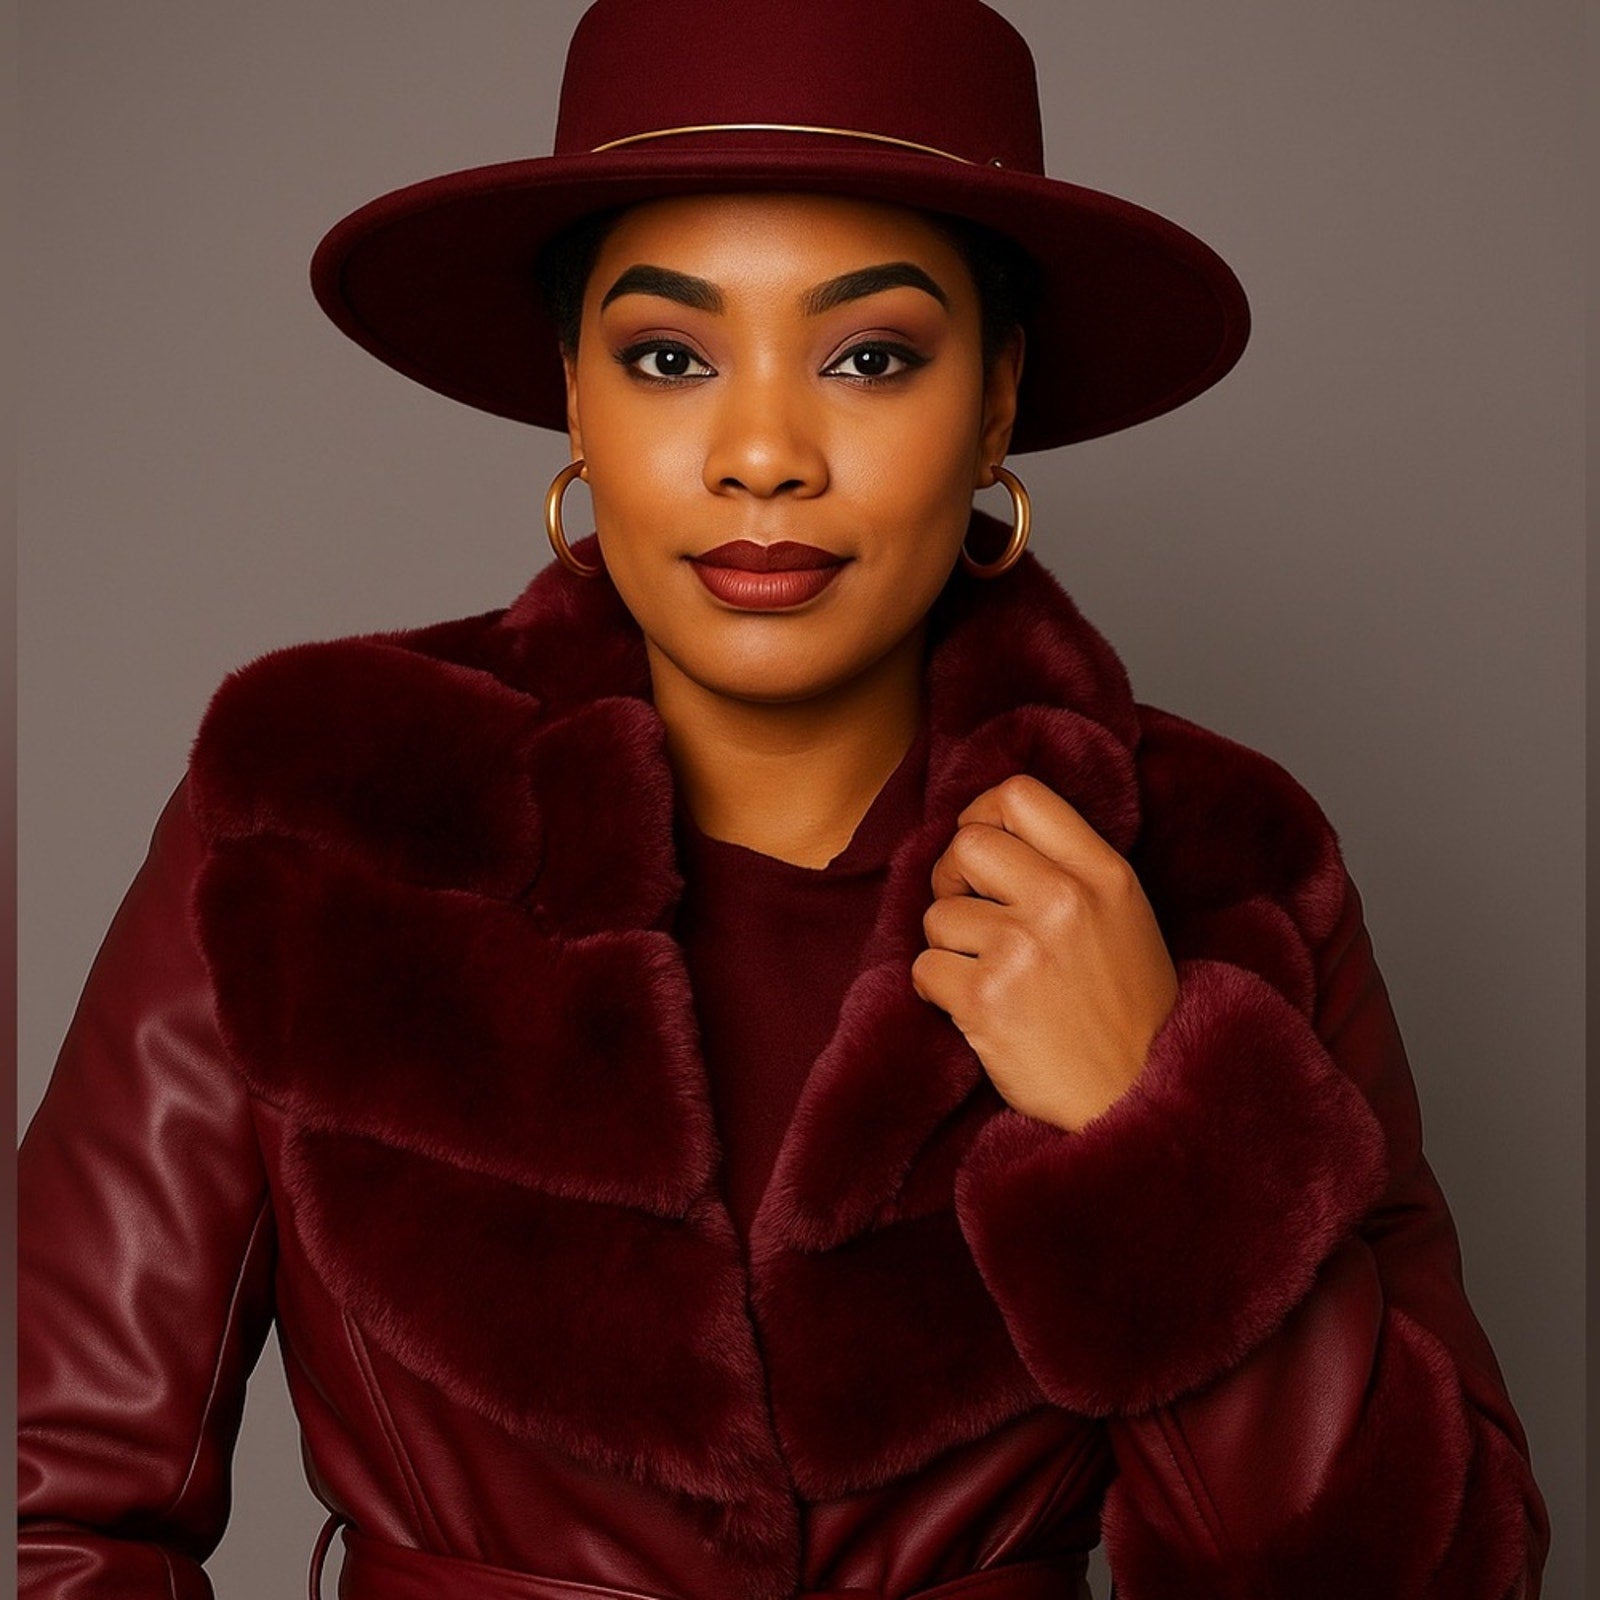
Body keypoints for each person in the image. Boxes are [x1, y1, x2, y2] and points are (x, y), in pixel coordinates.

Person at [17, 2, 1551, 1597]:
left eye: (870, 356)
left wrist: (1151, 1127)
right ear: (573, 393)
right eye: (669, 356)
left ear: (998, 398)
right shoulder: (317, 814)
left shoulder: (1229, 867)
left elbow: (1444, 1577)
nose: (763, 453)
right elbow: (46, 1508)